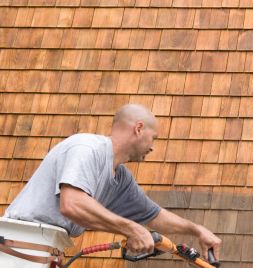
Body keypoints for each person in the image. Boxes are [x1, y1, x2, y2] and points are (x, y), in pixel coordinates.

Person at [4, 104, 221, 258]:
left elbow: (155, 217)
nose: (152, 147)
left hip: (47, 247)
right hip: (18, 242)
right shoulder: (87, 148)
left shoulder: (120, 178)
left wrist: (197, 230)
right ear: (138, 128)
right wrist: (131, 229)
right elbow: (72, 204)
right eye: (153, 138)